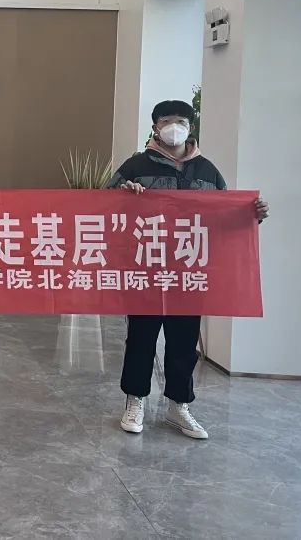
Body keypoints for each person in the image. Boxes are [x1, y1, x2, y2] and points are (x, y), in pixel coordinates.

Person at [110, 99, 269, 440]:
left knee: (184, 340)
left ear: (190, 127)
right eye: (166, 121)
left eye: (180, 121)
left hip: (188, 271)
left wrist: (250, 214)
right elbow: (101, 209)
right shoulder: (135, 166)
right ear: (155, 127)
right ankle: (135, 400)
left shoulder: (207, 171)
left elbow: (223, 214)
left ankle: (178, 405)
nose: (174, 127)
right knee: (141, 338)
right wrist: (123, 194)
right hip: (147, 268)